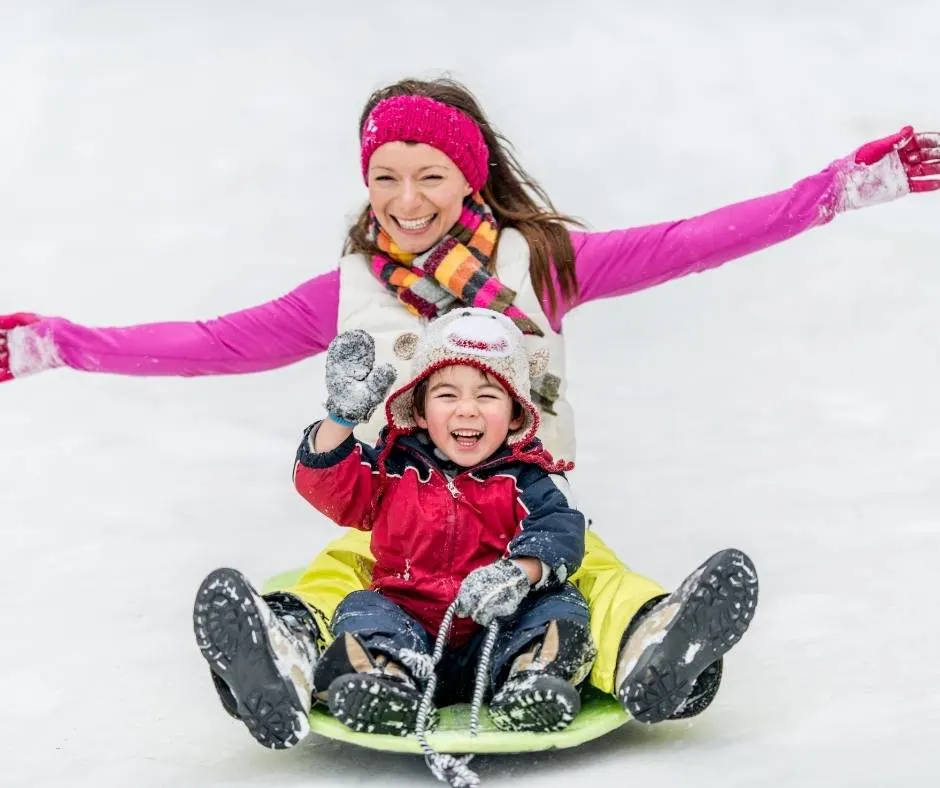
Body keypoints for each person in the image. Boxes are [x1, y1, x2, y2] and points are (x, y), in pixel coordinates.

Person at [2, 77, 937, 739]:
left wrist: (846, 188)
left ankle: (655, 650)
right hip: (395, 514)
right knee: (338, 583)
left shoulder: (542, 264)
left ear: (471, 178)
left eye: (430, 177)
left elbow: (693, 241)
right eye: (384, 178)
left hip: (526, 507)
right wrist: (61, 343)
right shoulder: (350, 292)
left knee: (594, 583)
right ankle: (283, 661)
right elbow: (211, 344)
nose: (406, 201)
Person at [194, 308, 757, 748]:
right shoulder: (396, 467)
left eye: (487, 396)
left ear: (515, 416)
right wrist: (340, 420)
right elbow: (332, 488)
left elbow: (562, 528)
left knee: (560, 609)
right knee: (362, 611)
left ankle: (539, 680)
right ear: (418, 406)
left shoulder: (530, 478)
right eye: (447, 394)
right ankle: (379, 684)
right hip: (410, 619)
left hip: (501, 631)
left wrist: (522, 570)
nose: (467, 410)